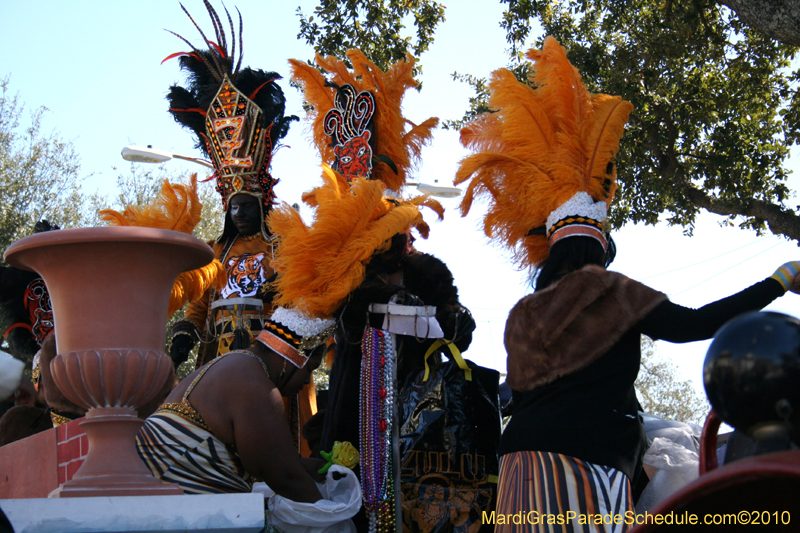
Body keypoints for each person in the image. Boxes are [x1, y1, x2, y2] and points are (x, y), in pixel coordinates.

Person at [454, 36, 800, 531]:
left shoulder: (524, 312)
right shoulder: (612, 289)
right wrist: (780, 280)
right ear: (599, 245)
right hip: (587, 462)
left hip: (517, 466)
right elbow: (696, 325)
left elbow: (525, 396)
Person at [160, 0, 317, 456]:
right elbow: (198, 304)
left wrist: (277, 299)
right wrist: (185, 334)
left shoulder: (283, 247)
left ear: (262, 203)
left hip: (269, 355)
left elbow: (300, 297)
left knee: (273, 442)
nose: (240, 215)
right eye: (234, 208)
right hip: (218, 353)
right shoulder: (215, 254)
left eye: (247, 206)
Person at [136, 325, 328, 500]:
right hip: (164, 500)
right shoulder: (255, 385)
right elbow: (286, 478)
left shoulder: (238, 363)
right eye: (310, 369)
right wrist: (333, 516)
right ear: (291, 357)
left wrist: (305, 466)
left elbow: (273, 458)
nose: (306, 381)